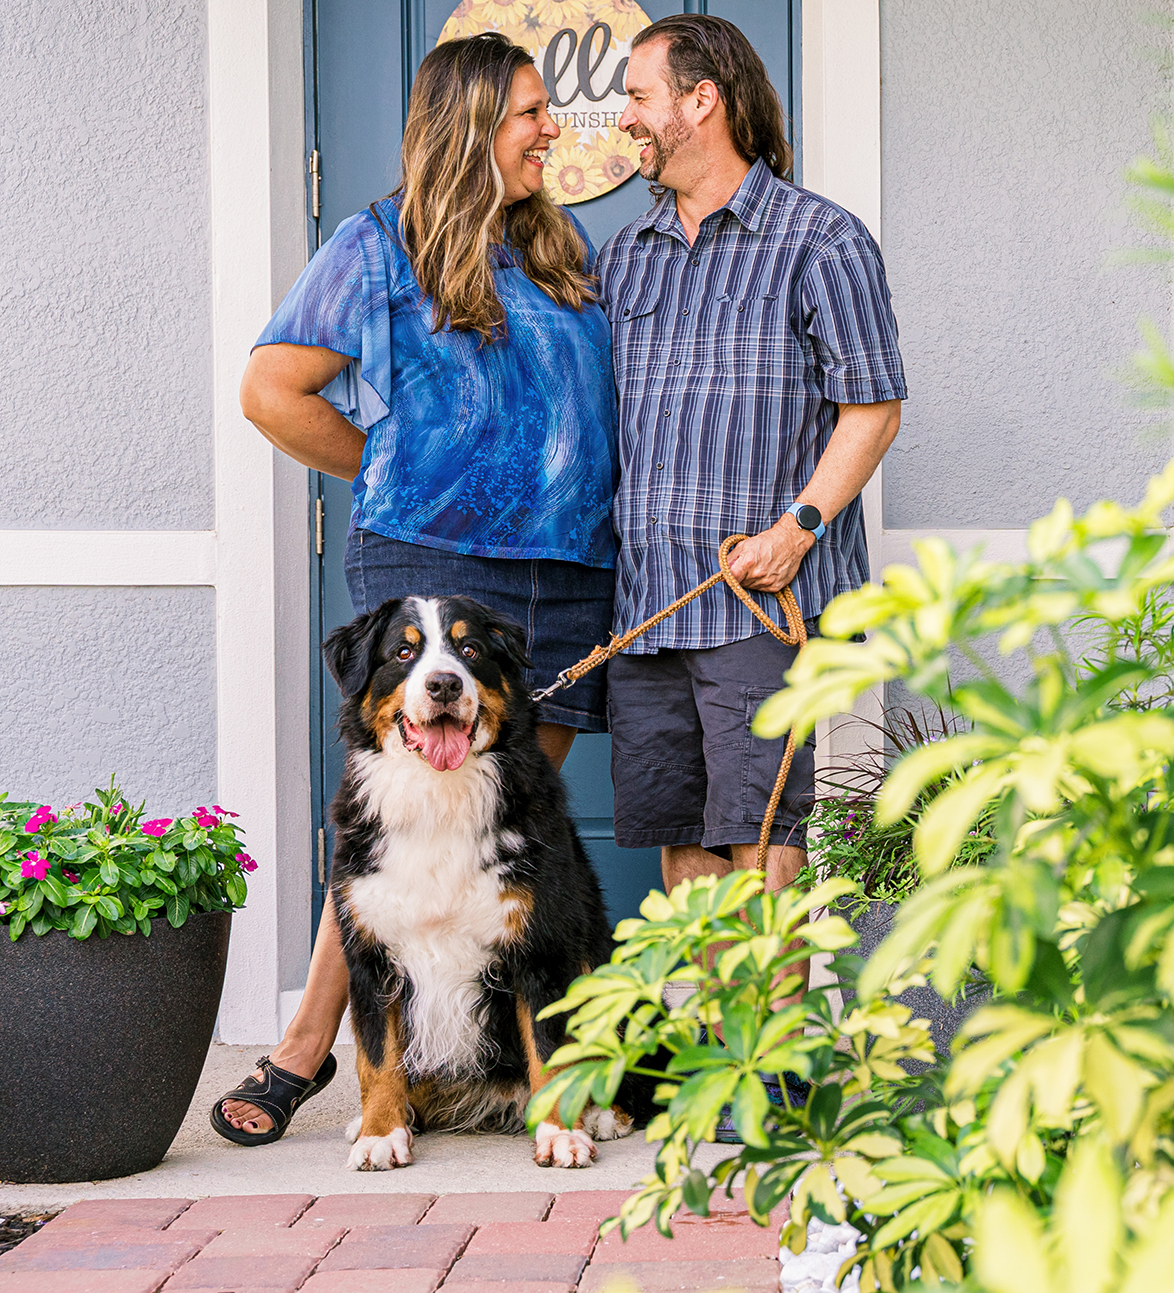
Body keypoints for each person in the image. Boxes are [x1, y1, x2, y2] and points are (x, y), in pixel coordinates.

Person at [214, 32, 621, 1145]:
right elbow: (270, 388)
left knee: (500, 843)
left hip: (562, 577)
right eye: (533, 112)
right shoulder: (373, 246)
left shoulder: (559, 246)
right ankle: (306, 1054)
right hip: (430, 574)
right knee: (397, 841)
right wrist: (389, 464)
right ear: (472, 121)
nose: (552, 130)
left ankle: (496, 1068)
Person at [599, 14, 904, 982]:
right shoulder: (626, 253)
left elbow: (873, 407)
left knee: (763, 840)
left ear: (701, 101)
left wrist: (797, 529)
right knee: (681, 837)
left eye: (641, 96)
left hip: (760, 602)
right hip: (648, 603)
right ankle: (709, 1056)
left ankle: (768, 1088)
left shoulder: (821, 240)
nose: (628, 118)